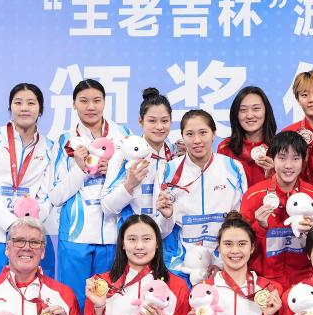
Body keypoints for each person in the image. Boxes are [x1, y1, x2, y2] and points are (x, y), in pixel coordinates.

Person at [50, 78, 131, 315]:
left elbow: (133, 182)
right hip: (75, 237)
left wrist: (112, 170)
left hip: (113, 236)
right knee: (74, 308)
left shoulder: (123, 136)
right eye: (83, 100)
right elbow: (56, 195)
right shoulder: (64, 142)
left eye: (96, 100)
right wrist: (83, 169)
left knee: (105, 308)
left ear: (105, 102)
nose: (91, 106)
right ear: (74, 104)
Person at [0, 83, 56, 288]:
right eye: (18, 103)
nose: (24, 108)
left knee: (29, 297)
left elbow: (47, 194)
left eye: (31, 103)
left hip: (30, 238)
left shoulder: (49, 147)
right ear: (10, 107)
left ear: (40, 110)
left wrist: (28, 226)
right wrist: (11, 224)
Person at [157, 109, 247, 281]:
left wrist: (221, 262)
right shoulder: (168, 170)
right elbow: (160, 231)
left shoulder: (233, 168)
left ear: (214, 134)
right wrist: (166, 217)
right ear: (182, 136)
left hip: (223, 264)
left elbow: (240, 221)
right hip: (178, 264)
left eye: (203, 133)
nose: (197, 140)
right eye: (190, 134)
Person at [239, 131, 313, 286]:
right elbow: (241, 244)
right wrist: (260, 227)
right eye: (282, 158)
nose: (288, 165)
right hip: (264, 280)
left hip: (306, 280)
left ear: (303, 161)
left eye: (295, 158)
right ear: (272, 159)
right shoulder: (253, 196)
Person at [101, 88, 177, 250]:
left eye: (164, 121)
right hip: (134, 243)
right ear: (140, 121)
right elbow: (107, 207)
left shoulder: (174, 156)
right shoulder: (125, 154)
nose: (159, 127)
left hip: (168, 243)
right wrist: (129, 185)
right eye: (152, 121)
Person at [217, 86, 277, 188]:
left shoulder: (280, 147)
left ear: (266, 111)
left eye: (256, 109)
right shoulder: (225, 149)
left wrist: (276, 175)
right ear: (236, 114)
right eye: (243, 110)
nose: (249, 115)